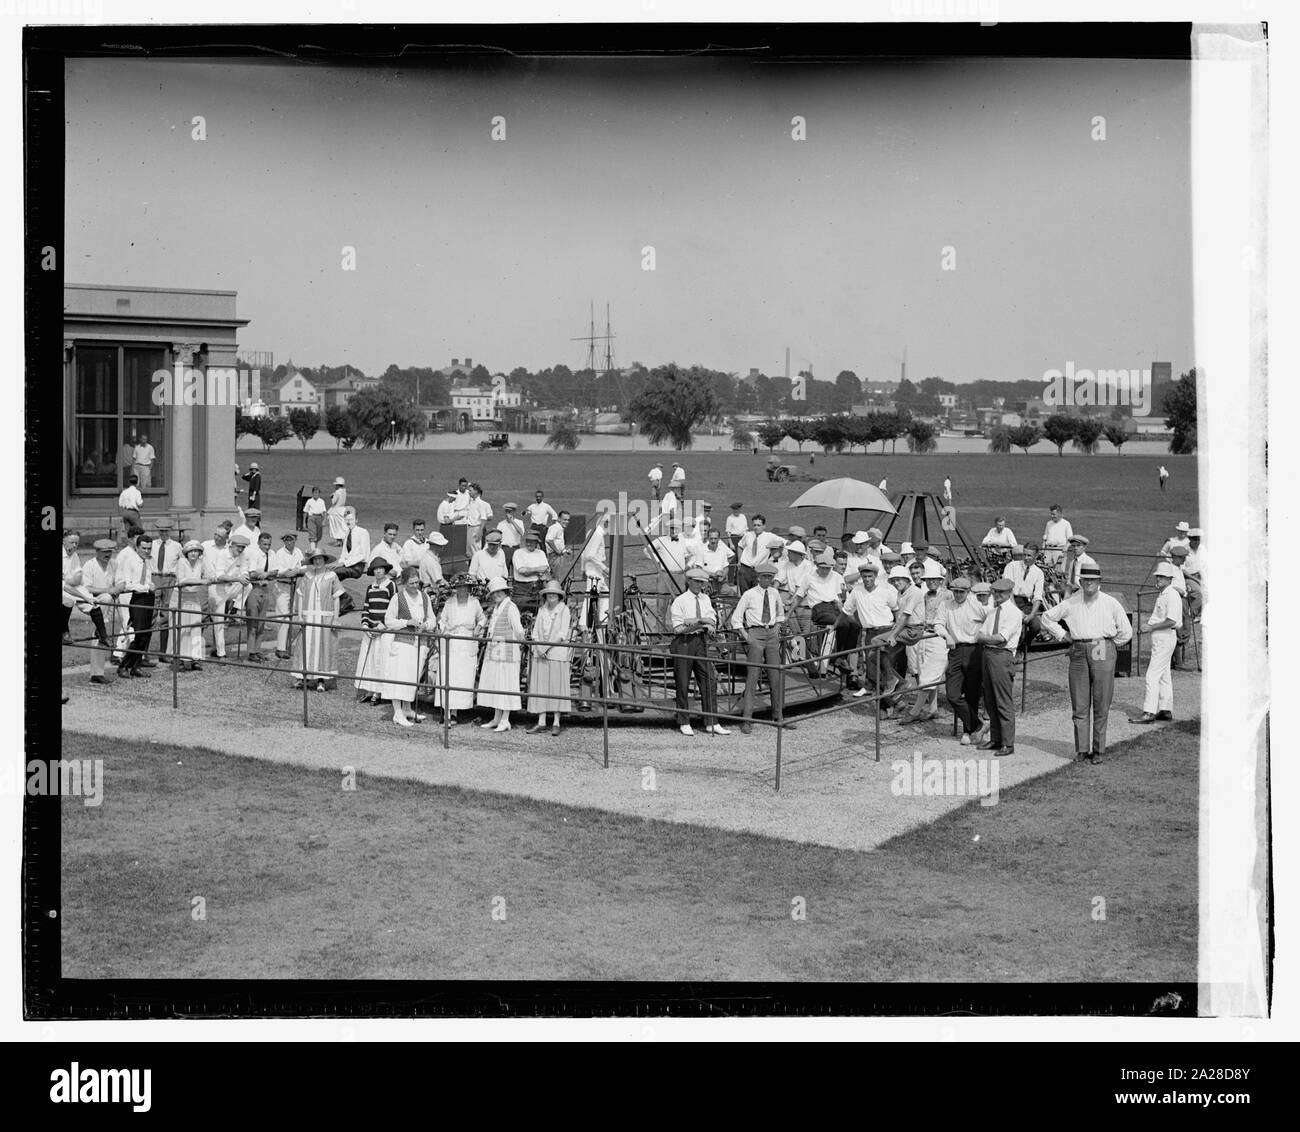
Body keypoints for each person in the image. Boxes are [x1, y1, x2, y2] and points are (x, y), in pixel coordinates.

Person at [1039, 562, 1133, 763]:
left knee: (1101, 701)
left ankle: (1098, 750)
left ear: (1099, 582)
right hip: (1079, 649)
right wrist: (1063, 634)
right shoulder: (1072, 602)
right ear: (1080, 581)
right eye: (1086, 580)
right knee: (1080, 703)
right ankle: (1082, 749)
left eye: (1093, 580)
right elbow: (1046, 618)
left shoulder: (1110, 602)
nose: (1089, 583)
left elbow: (1126, 631)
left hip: (1102, 647)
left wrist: (1109, 645)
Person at [669, 568, 726, 736]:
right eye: (696, 581)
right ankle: (684, 721)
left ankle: (712, 721)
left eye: (702, 582)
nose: (699, 585)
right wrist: (701, 621)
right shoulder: (680, 601)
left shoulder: (705, 598)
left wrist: (695, 621)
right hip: (683, 643)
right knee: (683, 682)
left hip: (700, 641)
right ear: (689, 581)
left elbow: (712, 620)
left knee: (708, 680)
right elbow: (678, 628)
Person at [730, 561, 785, 734]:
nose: (767, 580)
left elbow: (781, 614)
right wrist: (747, 637)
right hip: (755, 634)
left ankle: (778, 716)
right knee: (752, 677)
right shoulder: (749, 594)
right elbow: (736, 619)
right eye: (764, 577)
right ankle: (747, 719)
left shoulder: (775, 593)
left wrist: (776, 627)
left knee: (775, 676)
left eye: (770, 577)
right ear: (758, 577)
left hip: (772, 635)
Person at [381, 565, 438, 727]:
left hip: (420, 644)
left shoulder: (425, 597)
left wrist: (426, 625)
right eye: (411, 583)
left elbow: (432, 620)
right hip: (402, 643)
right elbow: (389, 621)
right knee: (399, 677)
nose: (415, 586)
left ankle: (407, 708)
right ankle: (397, 713)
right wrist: (407, 622)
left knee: (412, 678)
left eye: (417, 583)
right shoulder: (397, 598)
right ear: (404, 583)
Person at [1129, 563, 1182, 724]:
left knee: (1152, 675)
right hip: (1161, 638)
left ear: (1169, 579)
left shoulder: (1171, 595)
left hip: (1165, 637)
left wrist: (1150, 627)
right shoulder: (1164, 594)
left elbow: (1172, 620)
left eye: (1162, 577)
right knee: (1164, 675)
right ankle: (1165, 709)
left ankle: (1149, 712)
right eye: (1157, 576)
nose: (1158, 579)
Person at [975, 578, 1023, 757]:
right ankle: (995, 739)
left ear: (1009, 593)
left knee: (1003, 700)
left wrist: (986, 638)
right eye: (995, 592)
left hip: (1002, 656)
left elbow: (1000, 638)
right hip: (988, 654)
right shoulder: (993, 612)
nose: (997, 596)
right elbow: (981, 635)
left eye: (1001, 593)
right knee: (990, 699)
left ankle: (1008, 742)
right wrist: (987, 638)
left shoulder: (1014, 613)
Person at [899, 560, 949, 723]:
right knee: (924, 671)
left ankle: (915, 711)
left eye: (935, 579)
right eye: (929, 579)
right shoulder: (926, 595)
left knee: (929, 674)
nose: (932, 582)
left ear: (941, 580)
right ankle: (932, 708)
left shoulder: (947, 595)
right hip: (925, 635)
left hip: (939, 636)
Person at [291, 546, 345, 692]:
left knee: (323, 647)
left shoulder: (332, 576)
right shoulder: (307, 576)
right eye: (315, 559)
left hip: (324, 617)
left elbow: (336, 598)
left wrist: (335, 618)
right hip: (309, 616)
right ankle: (302, 678)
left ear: (325, 560)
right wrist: (300, 615)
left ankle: (321, 680)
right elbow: (300, 595)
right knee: (305, 646)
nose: (318, 561)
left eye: (320, 558)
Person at [434, 574, 486, 725]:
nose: (462, 589)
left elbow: (482, 618)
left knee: (462, 677)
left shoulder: (474, 603)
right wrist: (441, 628)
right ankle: (446, 711)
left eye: (464, 586)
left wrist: (478, 627)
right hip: (451, 640)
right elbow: (442, 620)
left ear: (469, 588)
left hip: (467, 641)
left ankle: (456, 711)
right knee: (449, 673)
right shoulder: (450, 603)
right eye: (459, 587)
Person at [940, 576, 986, 744]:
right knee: (952, 694)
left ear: (968, 592)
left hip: (974, 650)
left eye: (961, 592)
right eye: (955, 592)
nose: (958, 595)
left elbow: (990, 619)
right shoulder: (946, 605)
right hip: (956, 650)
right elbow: (938, 623)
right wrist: (947, 635)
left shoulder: (976, 604)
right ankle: (978, 725)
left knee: (972, 693)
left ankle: (968, 731)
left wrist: (983, 635)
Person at [843, 563, 898, 697]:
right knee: (870, 661)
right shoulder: (857, 590)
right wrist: (835, 625)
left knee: (883, 661)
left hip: (886, 630)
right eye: (864, 576)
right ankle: (870, 686)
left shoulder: (885, 590)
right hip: (869, 631)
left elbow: (896, 609)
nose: (867, 579)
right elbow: (846, 610)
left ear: (875, 576)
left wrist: (896, 628)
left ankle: (891, 688)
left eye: (870, 576)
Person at [477, 577, 524, 732]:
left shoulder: (511, 607)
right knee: (497, 683)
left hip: (508, 652)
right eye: (494, 593)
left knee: (506, 684)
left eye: (499, 592)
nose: (496, 595)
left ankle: (505, 719)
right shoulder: (496, 608)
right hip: (496, 651)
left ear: (505, 591)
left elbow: (518, 630)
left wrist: (520, 645)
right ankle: (497, 718)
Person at [526, 581, 573, 736]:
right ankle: (541, 721)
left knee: (556, 686)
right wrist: (539, 648)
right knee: (541, 686)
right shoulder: (542, 610)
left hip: (557, 653)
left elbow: (562, 634)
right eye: (549, 593)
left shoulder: (564, 610)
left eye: (554, 593)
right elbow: (535, 632)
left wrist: (546, 647)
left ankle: (556, 722)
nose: (551, 595)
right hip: (540, 653)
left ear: (559, 595)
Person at [78, 539, 121, 683]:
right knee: (107, 597)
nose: (107, 555)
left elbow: (121, 582)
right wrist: (108, 590)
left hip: (105, 605)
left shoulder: (114, 564)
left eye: (109, 552)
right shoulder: (90, 565)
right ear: (97, 552)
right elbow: (87, 588)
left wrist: (118, 588)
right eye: (104, 552)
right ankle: (101, 630)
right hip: (90, 602)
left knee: (102, 635)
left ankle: (97, 673)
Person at [796, 551, 846, 675]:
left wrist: (845, 614)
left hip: (833, 607)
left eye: (828, 569)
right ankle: (805, 659)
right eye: (823, 568)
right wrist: (789, 611)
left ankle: (838, 658)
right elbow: (798, 596)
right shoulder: (809, 577)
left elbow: (839, 600)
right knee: (798, 635)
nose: (826, 571)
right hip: (818, 608)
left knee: (852, 625)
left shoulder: (835, 576)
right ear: (817, 566)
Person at [115, 532, 157, 678]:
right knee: (138, 635)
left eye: (149, 548)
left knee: (145, 634)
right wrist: (146, 587)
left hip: (148, 598)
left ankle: (136, 666)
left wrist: (150, 585)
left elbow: (147, 579)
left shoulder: (147, 561)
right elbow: (128, 584)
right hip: (137, 598)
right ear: (137, 547)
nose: (146, 551)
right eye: (144, 548)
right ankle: (123, 666)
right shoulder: (130, 561)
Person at [355, 559, 397, 704]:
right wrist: (366, 626)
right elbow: (366, 608)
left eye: (381, 569)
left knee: (380, 660)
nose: (378, 571)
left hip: (384, 630)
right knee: (369, 662)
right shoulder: (370, 587)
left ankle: (379, 692)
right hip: (371, 630)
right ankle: (369, 689)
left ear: (385, 570)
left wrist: (383, 626)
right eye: (375, 569)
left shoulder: (391, 585)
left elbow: (394, 609)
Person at [210, 533, 252, 660]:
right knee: (219, 623)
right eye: (238, 547)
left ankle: (235, 609)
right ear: (231, 544)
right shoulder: (222, 555)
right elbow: (220, 576)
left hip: (232, 587)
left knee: (248, 586)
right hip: (218, 590)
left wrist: (244, 577)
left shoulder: (242, 555)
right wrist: (237, 578)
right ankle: (221, 653)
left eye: (243, 548)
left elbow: (244, 570)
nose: (240, 550)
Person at [174, 540, 212, 671]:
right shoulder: (181, 562)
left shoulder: (201, 562)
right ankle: (179, 658)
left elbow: (210, 575)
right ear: (186, 552)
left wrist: (209, 577)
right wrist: (201, 581)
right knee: (182, 628)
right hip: (181, 597)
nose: (193, 553)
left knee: (196, 627)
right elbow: (182, 580)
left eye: (196, 551)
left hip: (194, 597)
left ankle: (196, 659)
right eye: (191, 551)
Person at [241, 531, 278, 662]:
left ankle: (258, 650)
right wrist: (262, 574)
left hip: (266, 589)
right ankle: (251, 652)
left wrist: (266, 574)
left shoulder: (272, 554)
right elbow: (252, 573)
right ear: (259, 543)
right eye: (264, 544)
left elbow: (275, 571)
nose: (267, 547)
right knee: (253, 621)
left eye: (269, 544)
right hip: (254, 589)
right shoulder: (254, 554)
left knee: (262, 622)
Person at [1002, 544, 1046, 646]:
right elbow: (1008, 590)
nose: (1026, 558)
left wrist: (1031, 615)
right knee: (1013, 626)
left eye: (1029, 555)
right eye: (1024, 554)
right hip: (1009, 601)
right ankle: (1010, 648)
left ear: (1036, 556)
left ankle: (1022, 647)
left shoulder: (1039, 573)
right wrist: (1017, 611)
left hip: (1026, 604)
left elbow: (1038, 597)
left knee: (1036, 627)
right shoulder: (1011, 566)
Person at [272, 532, 305, 658]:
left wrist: (296, 571)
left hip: (294, 586)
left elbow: (304, 567)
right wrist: (289, 572)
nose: (289, 542)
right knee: (283, 617)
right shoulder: (279, 553)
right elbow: (278, 571)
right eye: (286, 540)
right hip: (282, 586)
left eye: (291, 540)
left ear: (295, 540)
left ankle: (288, 646)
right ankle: (280, 648)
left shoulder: (298, 552)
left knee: (292, 616)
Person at [511, 528, 551, 612]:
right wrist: (538, 570)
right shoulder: (518, 553)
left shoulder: (540, 553)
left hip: (537, 588)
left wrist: (529, 570)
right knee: (520, 613)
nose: (529, 544)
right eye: (528, 541)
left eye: (532, 542)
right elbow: (522, 571)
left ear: (537, 543)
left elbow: (545, 569)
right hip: (521, 589)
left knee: (537, 612)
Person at [334, 507, 372, 580]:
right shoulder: (347, 533)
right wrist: (339, 563)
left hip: (357, 567)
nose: (348, 522)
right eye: (346, 519)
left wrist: (344, 563)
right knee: (329, 573)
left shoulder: (363, 532)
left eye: (351, 519)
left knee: (334, 574)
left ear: (356, 520)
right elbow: (344, 553)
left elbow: (363, 555)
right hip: (347, 565)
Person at [1041, 504, 1073, 568]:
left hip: (1059, 550)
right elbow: (1045, 538)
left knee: (1059, 570)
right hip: (1048, 550)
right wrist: (1043, 549)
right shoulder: (1048, 523)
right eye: (1051, 514)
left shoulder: (1066, 524)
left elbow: (1071, 539)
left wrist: (1066, 547)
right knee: (1045, 568)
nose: (1051, 516)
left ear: (1060, 513)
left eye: (1053, 514)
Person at [464, 482, 493, 553]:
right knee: (469, 549)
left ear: (476, 491)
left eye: (470, 491)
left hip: (476, 528)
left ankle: (477, 563)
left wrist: (480, 531)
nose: (468, 492)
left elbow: (484, 518)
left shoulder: (481, 503)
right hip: (469, 528)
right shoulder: (472, 502)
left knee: (475, 549)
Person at [544, 511, 571, 575]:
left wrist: (565, 551)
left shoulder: (560, 528)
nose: (567, 522)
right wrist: (557, 551)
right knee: (556, 579)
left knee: (559, 578)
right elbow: (548, 540)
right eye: (564, 519)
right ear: (559, 519)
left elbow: (558, 544)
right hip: (554, 556)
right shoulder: (555, 527)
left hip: (558, 556)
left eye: (568, 520)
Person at [326, 477, 349, 543]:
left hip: (336, 511)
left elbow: (333, 502)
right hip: (342, 509)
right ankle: (342, 540)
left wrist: (332, 496)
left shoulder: (337, 492)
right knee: (342, 525)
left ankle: (339, 541)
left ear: (338, 485)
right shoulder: (344, 491)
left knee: (336, 526)